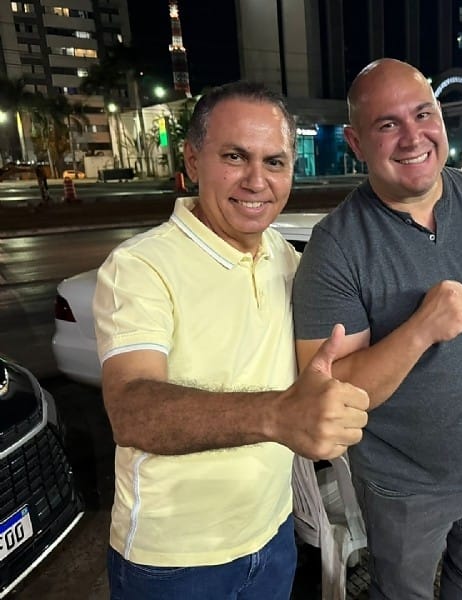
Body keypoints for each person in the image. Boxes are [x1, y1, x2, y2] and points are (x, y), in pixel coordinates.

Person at [92, 81, 369, 600]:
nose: (256, 180)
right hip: (174, 562)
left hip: (273, 535)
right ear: (193, 160)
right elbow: (131, 408)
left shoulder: (286, 258)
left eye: (274, 162)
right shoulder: (141, 266)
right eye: (235, 157)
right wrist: (277, 415)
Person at [292, 58, 462, 599]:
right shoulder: (337, 246)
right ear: (357, 143)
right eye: (388, 124)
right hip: (404, 486)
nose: (412, 137)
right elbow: (328, 391)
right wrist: (420, 330)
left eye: (423, 114)